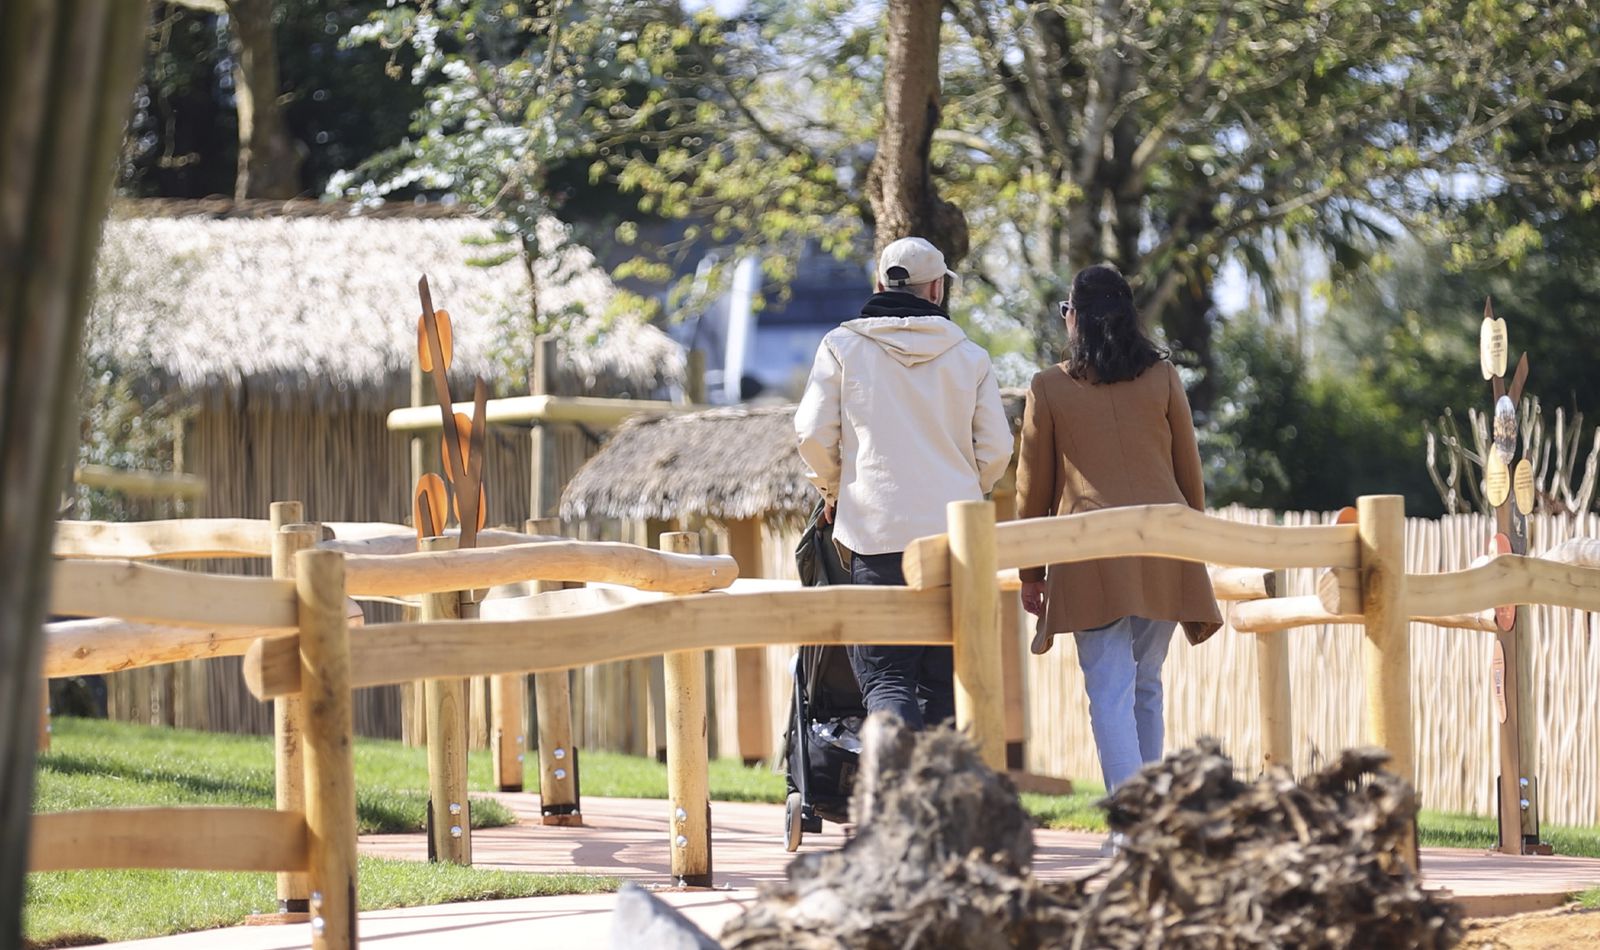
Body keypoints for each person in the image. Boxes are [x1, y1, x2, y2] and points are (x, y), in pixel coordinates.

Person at [1017, 263, 1222, 796]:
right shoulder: (1163, 377)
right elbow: (1188, 472)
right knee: (1146, 685)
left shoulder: (1048, 387)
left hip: (1090, 556)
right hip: (1166, 546)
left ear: (1075, 320)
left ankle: (1131, 823)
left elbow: (1032, 491)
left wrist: (1030, 572)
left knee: (1109, 691)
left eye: (1066, 312)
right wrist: (1193, 548)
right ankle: (1146, 818)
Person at [795, 236, 1012, 730]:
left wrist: (833, 491)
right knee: (944, 681)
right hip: (952, 542)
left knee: (886, 680)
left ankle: (893, 800)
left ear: (879, 282)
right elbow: (997, 448)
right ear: (936, 289)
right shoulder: (970, 356)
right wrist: (964, 488)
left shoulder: (841, 346)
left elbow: (810, 432)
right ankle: (937, 802)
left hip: (873, 534)